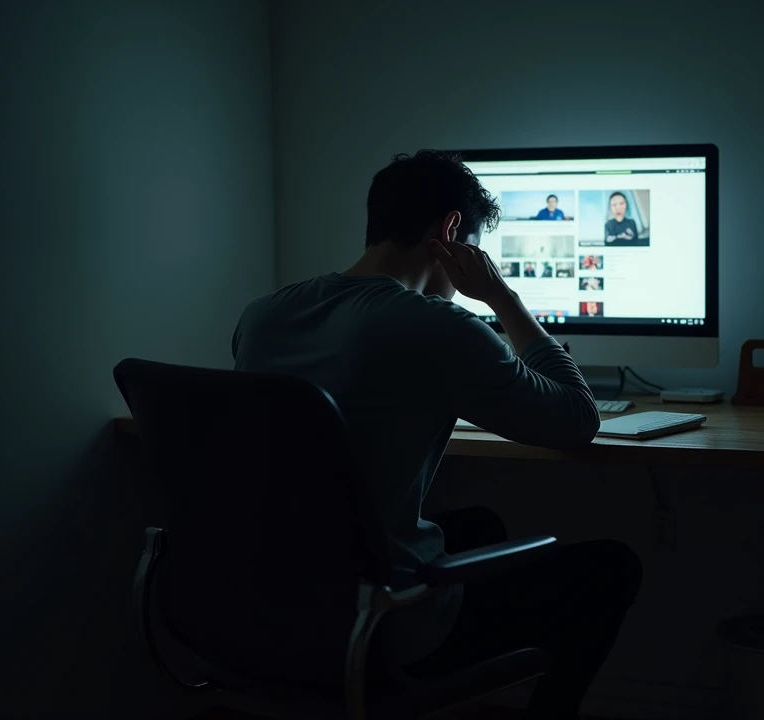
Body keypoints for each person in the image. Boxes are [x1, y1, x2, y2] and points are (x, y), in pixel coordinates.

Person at [231, 150, 641, 718]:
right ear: (451, 233)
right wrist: (501, 296)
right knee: (611, 567)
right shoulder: (436, 325)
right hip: (379, 619)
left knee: (478, 527)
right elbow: (576, 419)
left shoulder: (262, 316)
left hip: (270, 608)